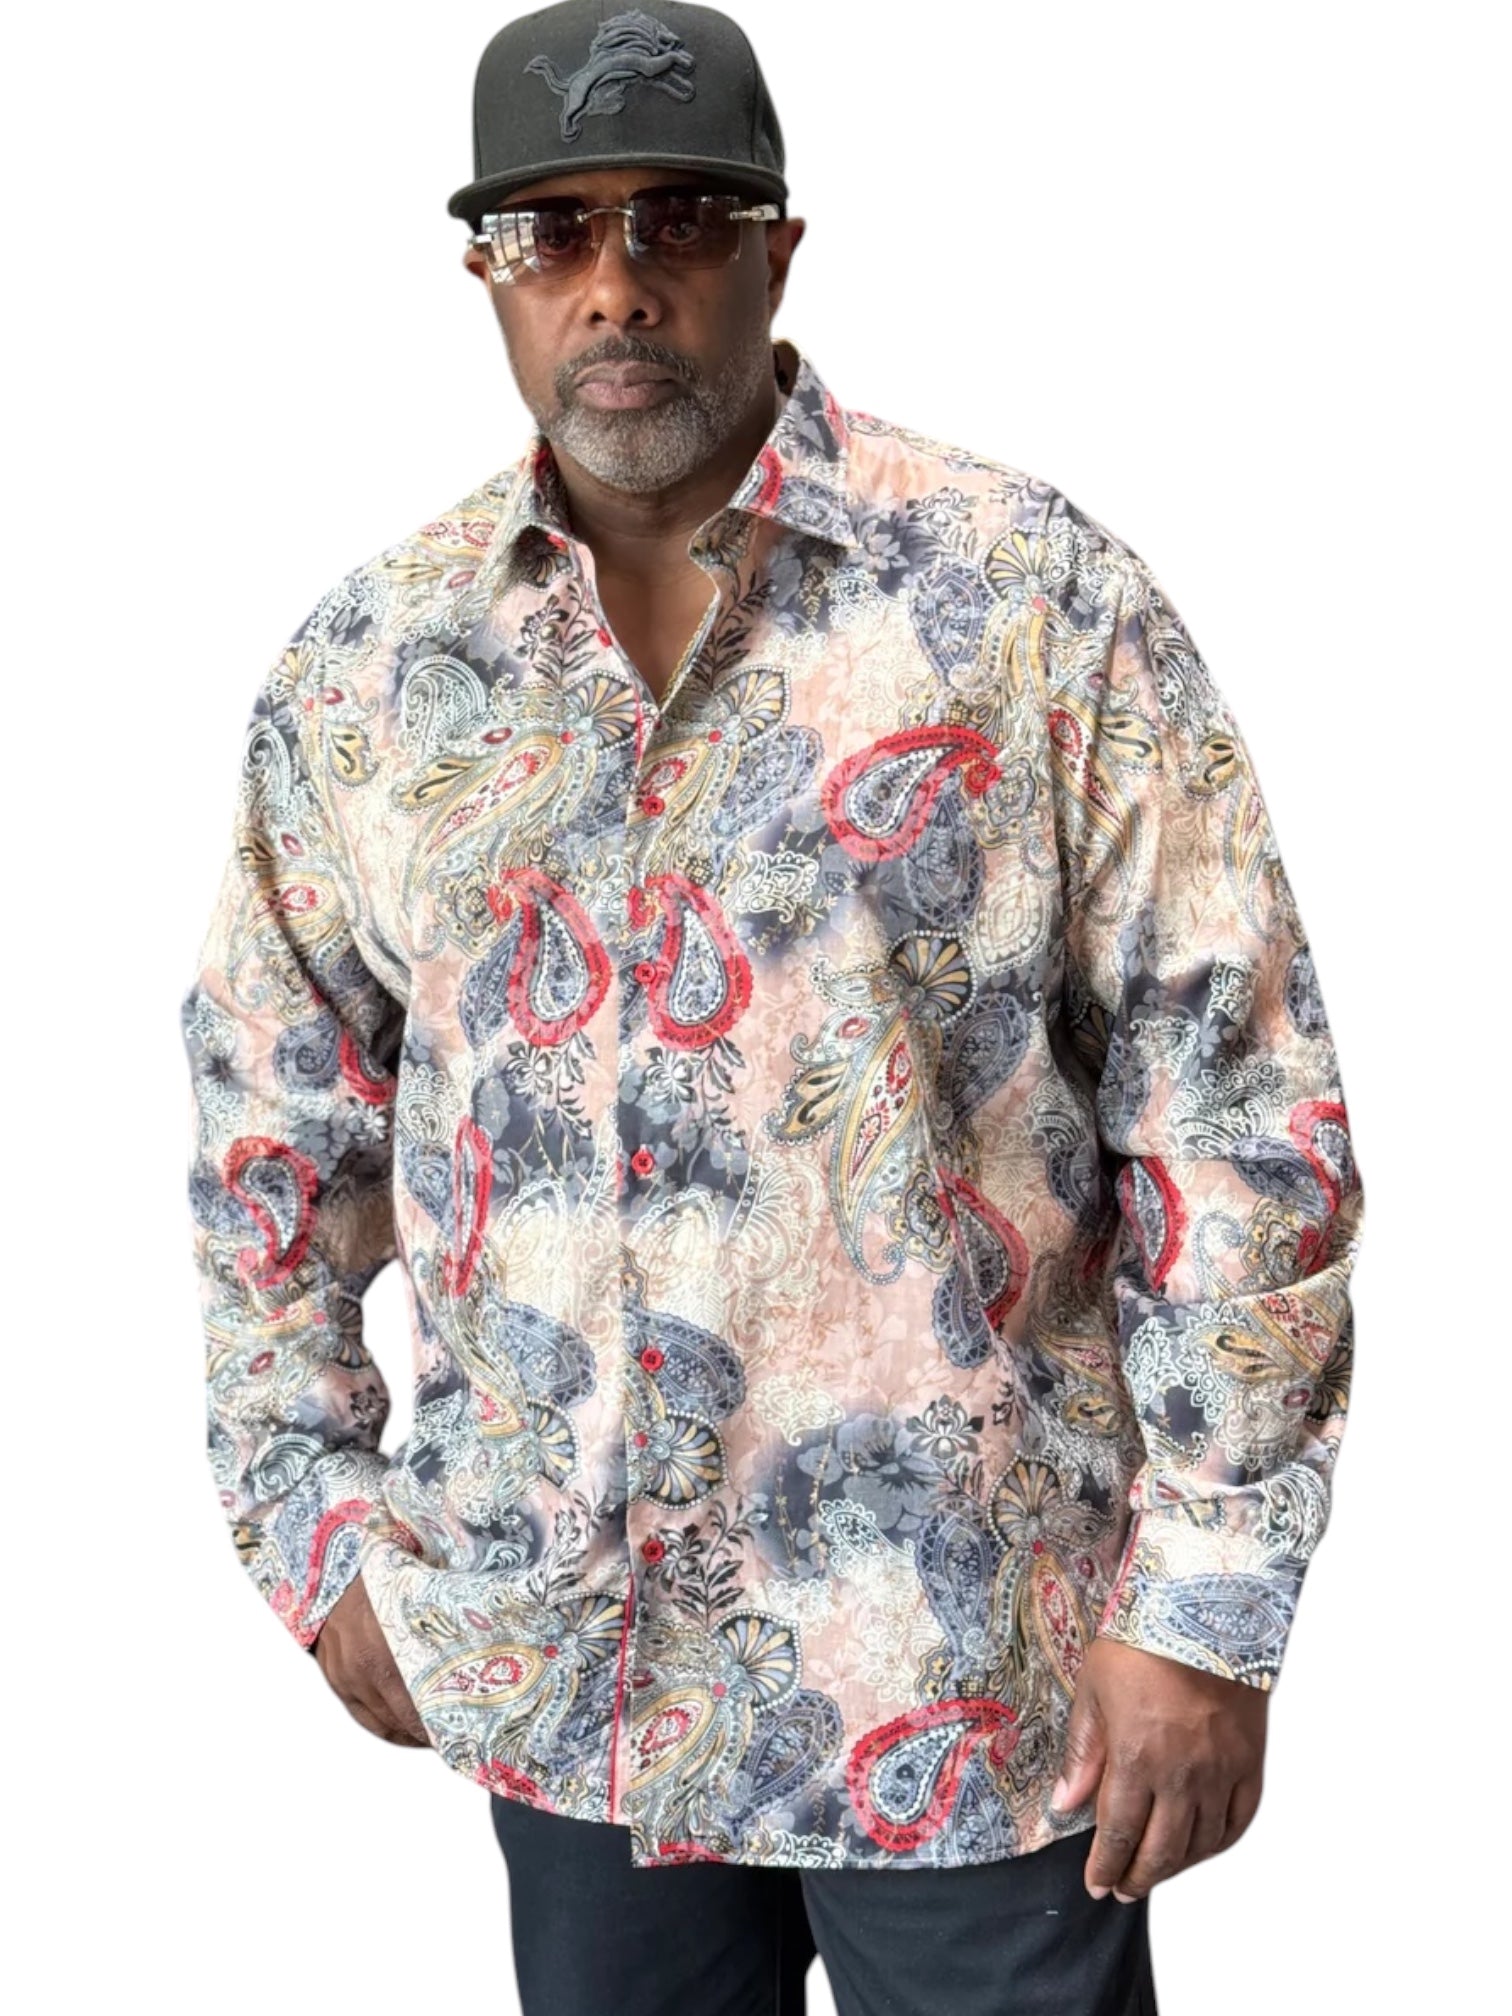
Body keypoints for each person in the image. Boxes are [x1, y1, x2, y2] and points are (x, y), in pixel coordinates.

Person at [179, 4, 1365, 2011]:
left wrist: (1208, 1605)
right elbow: (266, 1129)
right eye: (551, 232)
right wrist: (310, 1519)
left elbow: (1238, 1112)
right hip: (567, 1671)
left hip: (977, 1684)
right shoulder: (373, 675)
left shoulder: (1029, 602)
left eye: (678, 220)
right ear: (485, 270)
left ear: (777, 251)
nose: (615, 284)